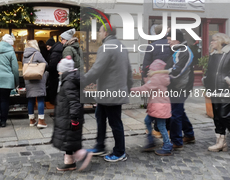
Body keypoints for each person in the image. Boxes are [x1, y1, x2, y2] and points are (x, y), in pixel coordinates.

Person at [82, 24, 133, 162]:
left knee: (115, 122)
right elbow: (129, 69)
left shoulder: (106, 47)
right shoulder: (121, 46)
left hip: (110, 94)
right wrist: (128, 87)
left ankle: (120, 152)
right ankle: (100, 146)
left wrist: (81, 82)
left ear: (105, 33)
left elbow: (96, 70)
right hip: (110, 93)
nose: (98, 34)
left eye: (99, 32)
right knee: (100, 117)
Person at [149, 29, 195, 150]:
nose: (168, 42)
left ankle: (177, 142)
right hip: (174, 86)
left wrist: (157, 72)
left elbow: (176, 72)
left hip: (181, 87)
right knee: (179, 111)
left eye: (170, 39)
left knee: (175, 114)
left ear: (177, 39)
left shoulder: (185, 52)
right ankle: (189, 134)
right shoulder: (177, 50)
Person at [52, 56, 93, 171]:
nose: (58, 72)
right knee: (68, 140)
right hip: (67, 116)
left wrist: (74, 119)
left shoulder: (68, 82)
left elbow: (74, 102)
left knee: (71, 140)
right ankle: (69, 162)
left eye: (59, 70)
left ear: (64, 70)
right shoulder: (69, 79)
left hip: (70, 117)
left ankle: (84, 155)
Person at [131, 59, 173, 156]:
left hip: (159, 107)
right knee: (147, 121)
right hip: (158, 106)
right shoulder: (159, 77)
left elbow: (146, 88)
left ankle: (167, 145)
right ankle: (151, 141)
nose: (149, 70)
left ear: (155, 69)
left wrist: (131, 90)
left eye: (150, 69)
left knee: (162, 126)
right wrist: (147, 77)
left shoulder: (156, 78)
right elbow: (150, 84)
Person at [142, 25, 172, 138]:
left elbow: (145, 66)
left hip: (154, 79)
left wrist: (145, 79)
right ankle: (166, 129)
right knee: (166, 105)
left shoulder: (152, 46)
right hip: (168, 79)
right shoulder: (171, 45)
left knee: (155, 104)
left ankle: (157, 129)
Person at [203, 33, 230, 152]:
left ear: (220, 41)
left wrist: (228, 80)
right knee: (217, 116)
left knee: (225, 115)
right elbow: (209, 71)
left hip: (225, 88)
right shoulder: (214, 54)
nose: (211, 42)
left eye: (213, 40)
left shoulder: (228, 53)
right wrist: (207, 83)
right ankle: (221, 142)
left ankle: (222, 141)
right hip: (214, 89)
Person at [23, 40, 48, 128]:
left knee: (31, 100)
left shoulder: (24, 55)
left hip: (29, 79)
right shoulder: (37, 53)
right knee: (40, 98)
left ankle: (32, 120)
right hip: (37, 79)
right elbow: (45, 64)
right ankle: (41, 121)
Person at [45, 37, 63, 106]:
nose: (47, 49)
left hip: (54, 76)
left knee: (54, 92)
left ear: (52, 46)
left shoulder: (54, 53)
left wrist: (46, 68)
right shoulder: (56, 51)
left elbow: (52, 66)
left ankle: (55, 109)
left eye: (48, 47)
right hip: (56, 75)